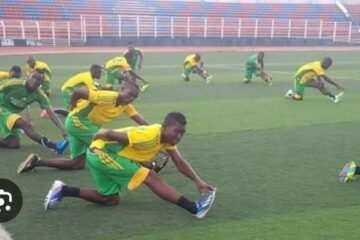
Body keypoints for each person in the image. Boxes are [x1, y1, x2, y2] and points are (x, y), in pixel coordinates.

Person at [43, 112, 216, 219]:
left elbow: (180, 162)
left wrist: (198, 181)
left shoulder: (167, 140)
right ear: (165, 127)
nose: (178, 136)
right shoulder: (149, 134)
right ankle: (194, 208)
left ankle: (63, 190)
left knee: (109, 199)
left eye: (182, 133)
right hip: (101, 153)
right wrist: (103, 133)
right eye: (176, 131)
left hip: (103, 155)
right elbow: (114, 135)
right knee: (149, 176)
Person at [17, 80, 149, 172]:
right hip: (78, 121)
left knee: (77, 164)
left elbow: (141, 121)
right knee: (109, 144)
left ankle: (36, 162)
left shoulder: (126, 106)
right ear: (121, 90)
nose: (131, 98)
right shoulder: (108, 96)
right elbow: (78, 91)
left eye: (134, 97)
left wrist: (157, 133)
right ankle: (145, 164)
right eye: (129, 94)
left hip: (80, 125)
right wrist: (73, 105)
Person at [0, 70, 67, 152]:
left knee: (13, 144)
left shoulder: (39, 95)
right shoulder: (14, 84)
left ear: (42, 82)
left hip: (10, 113)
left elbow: (51, 113)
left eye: (38, 79)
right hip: (2, 109)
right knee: (24, 125)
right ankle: (53, 145)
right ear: (29, 77)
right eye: (33, 77)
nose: (34, 80)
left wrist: (62, 128)